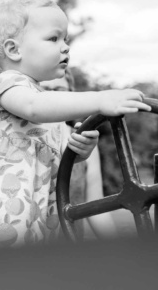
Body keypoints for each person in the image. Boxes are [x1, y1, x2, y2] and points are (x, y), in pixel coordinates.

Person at [0, 0, 150, 250]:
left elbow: (54, 157)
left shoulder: (52, 111)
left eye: (65, 39)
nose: (66, 47)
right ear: (14, 50)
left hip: (36, 219)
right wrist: (101, 99)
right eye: (54, 39)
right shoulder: (8, 85)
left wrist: (80, 152)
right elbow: (35, 106)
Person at [41, 72, 118, 241]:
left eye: (60, 90)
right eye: (45, 89)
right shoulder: (17, 138)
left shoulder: (84, 142)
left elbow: (95, 208)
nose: (53, 95)